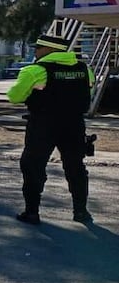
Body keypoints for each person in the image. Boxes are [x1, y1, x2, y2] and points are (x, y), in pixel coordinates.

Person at [7, 34, 94, 225]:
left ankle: (31, 213)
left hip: (43, 126)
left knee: (33, 167)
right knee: (76, 168)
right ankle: (81, 212)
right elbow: (89, 91)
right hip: (74, 125)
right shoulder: (84, 69)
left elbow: (14, 96)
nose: (35, 52)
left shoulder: (35, 71)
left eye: (37, 48)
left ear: (48, 50)